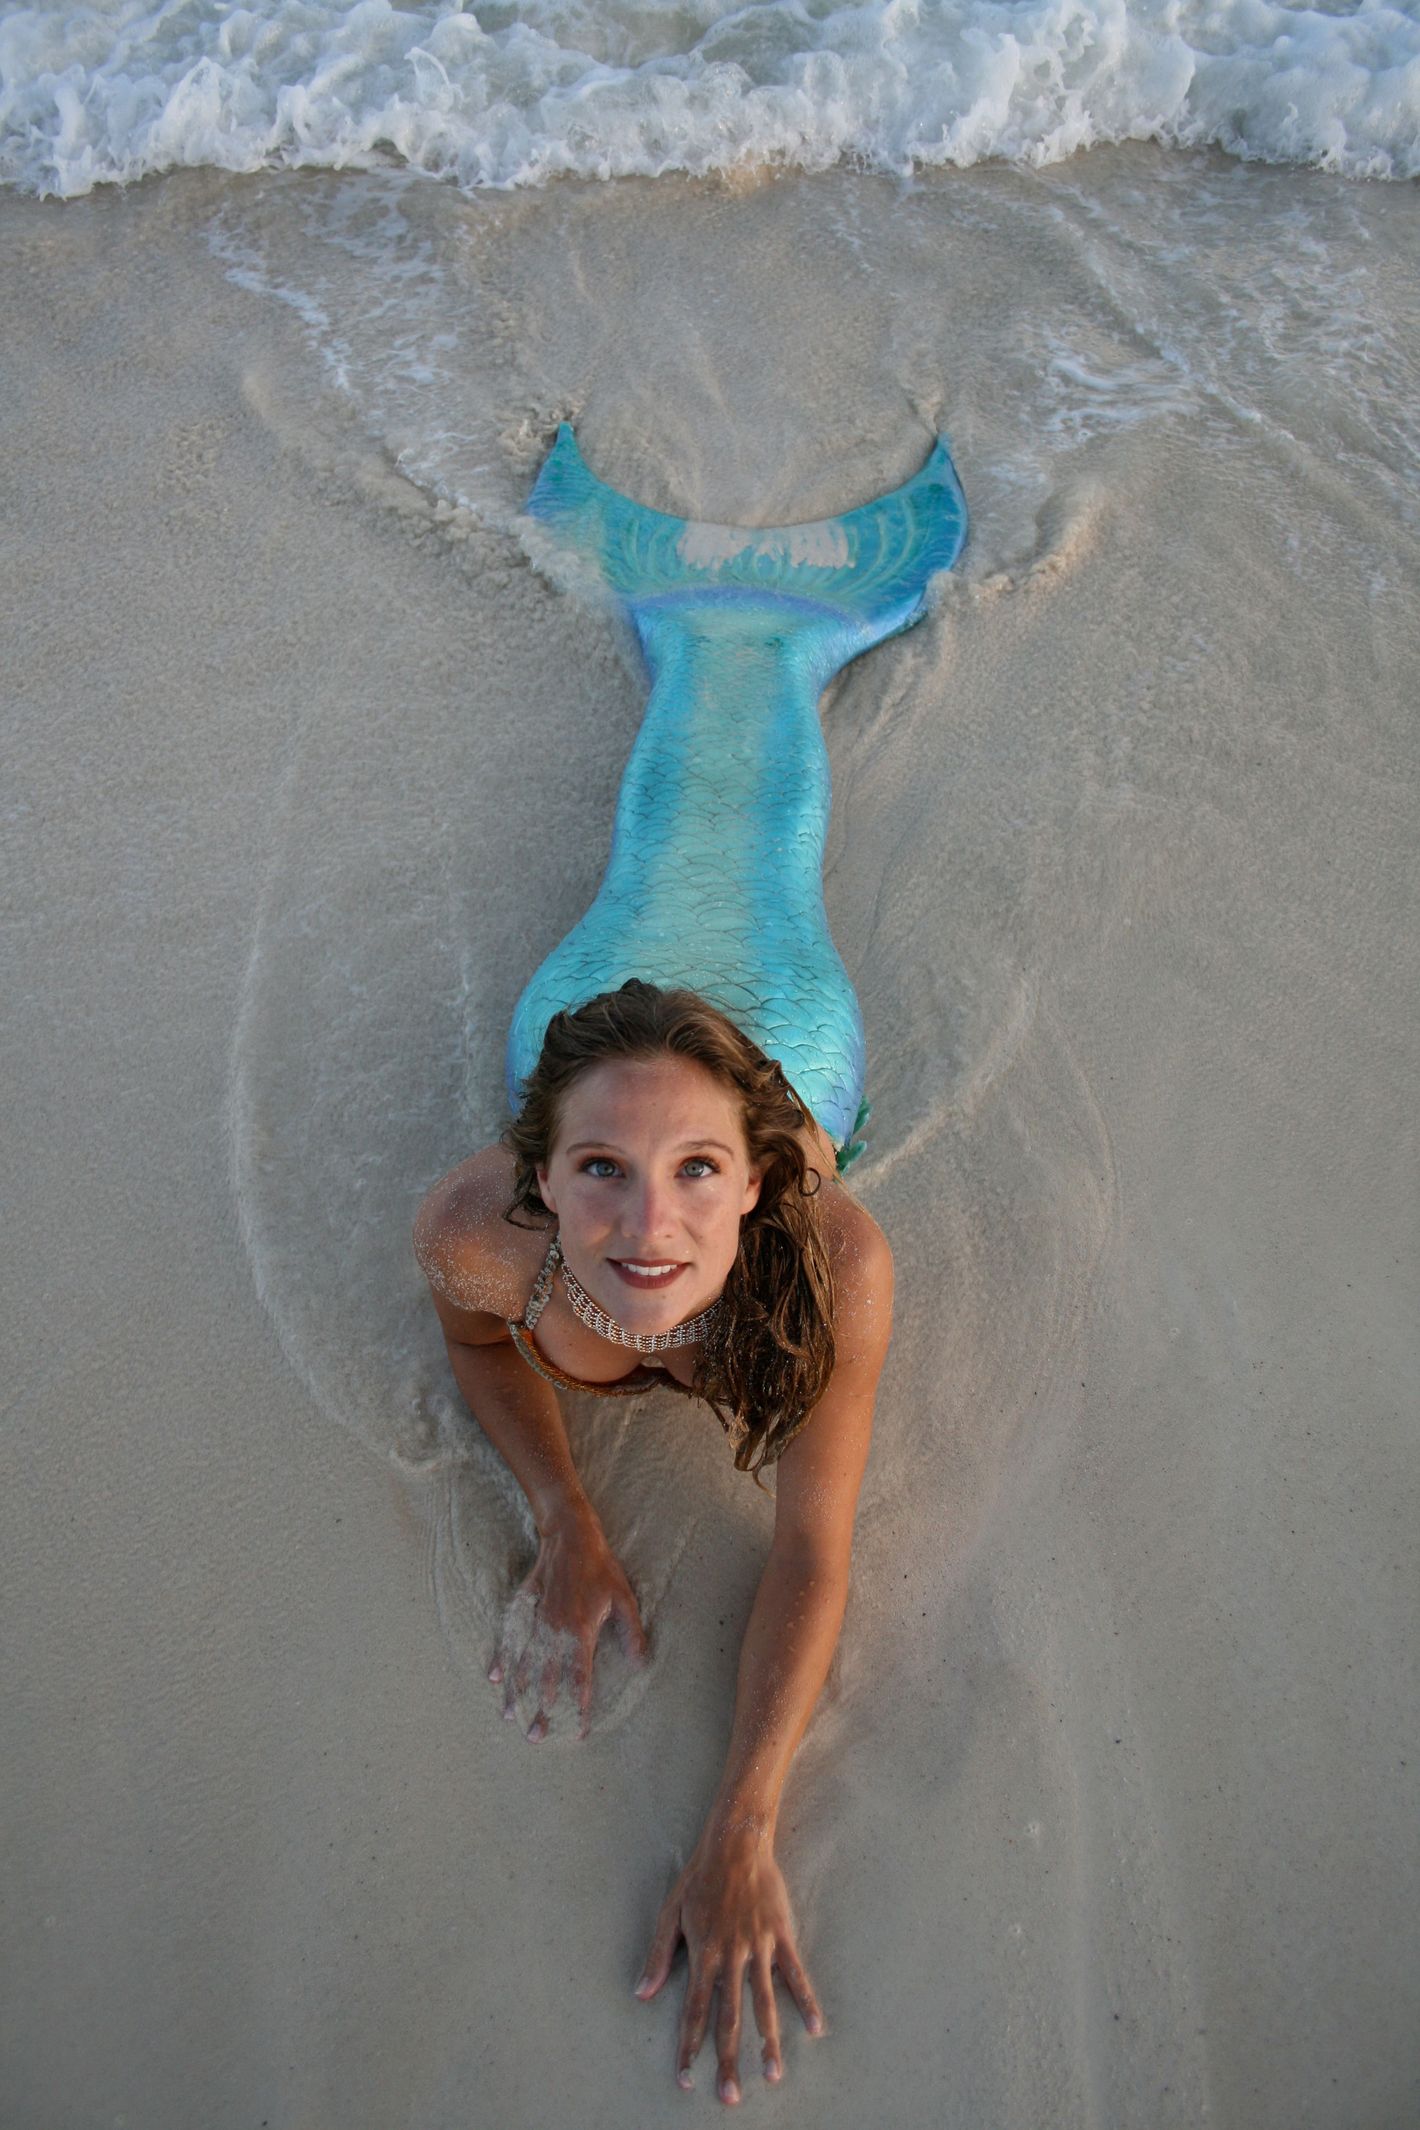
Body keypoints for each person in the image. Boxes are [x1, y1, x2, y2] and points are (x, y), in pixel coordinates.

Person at [412, 424, 967, 2103]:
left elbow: (813, 1550)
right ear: (541, 1173)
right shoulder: (484, 1236)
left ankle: (769, 632)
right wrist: (562, 1521)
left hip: (784, 1034)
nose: (645, 1222)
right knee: (655, 864)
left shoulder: (833, 1260)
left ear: (758, 1187)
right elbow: (483, 1348)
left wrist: (742, 1827)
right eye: (600, 1175)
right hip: (591, 1018)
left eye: (692, 1180)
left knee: (738, 855)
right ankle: (720, 618)